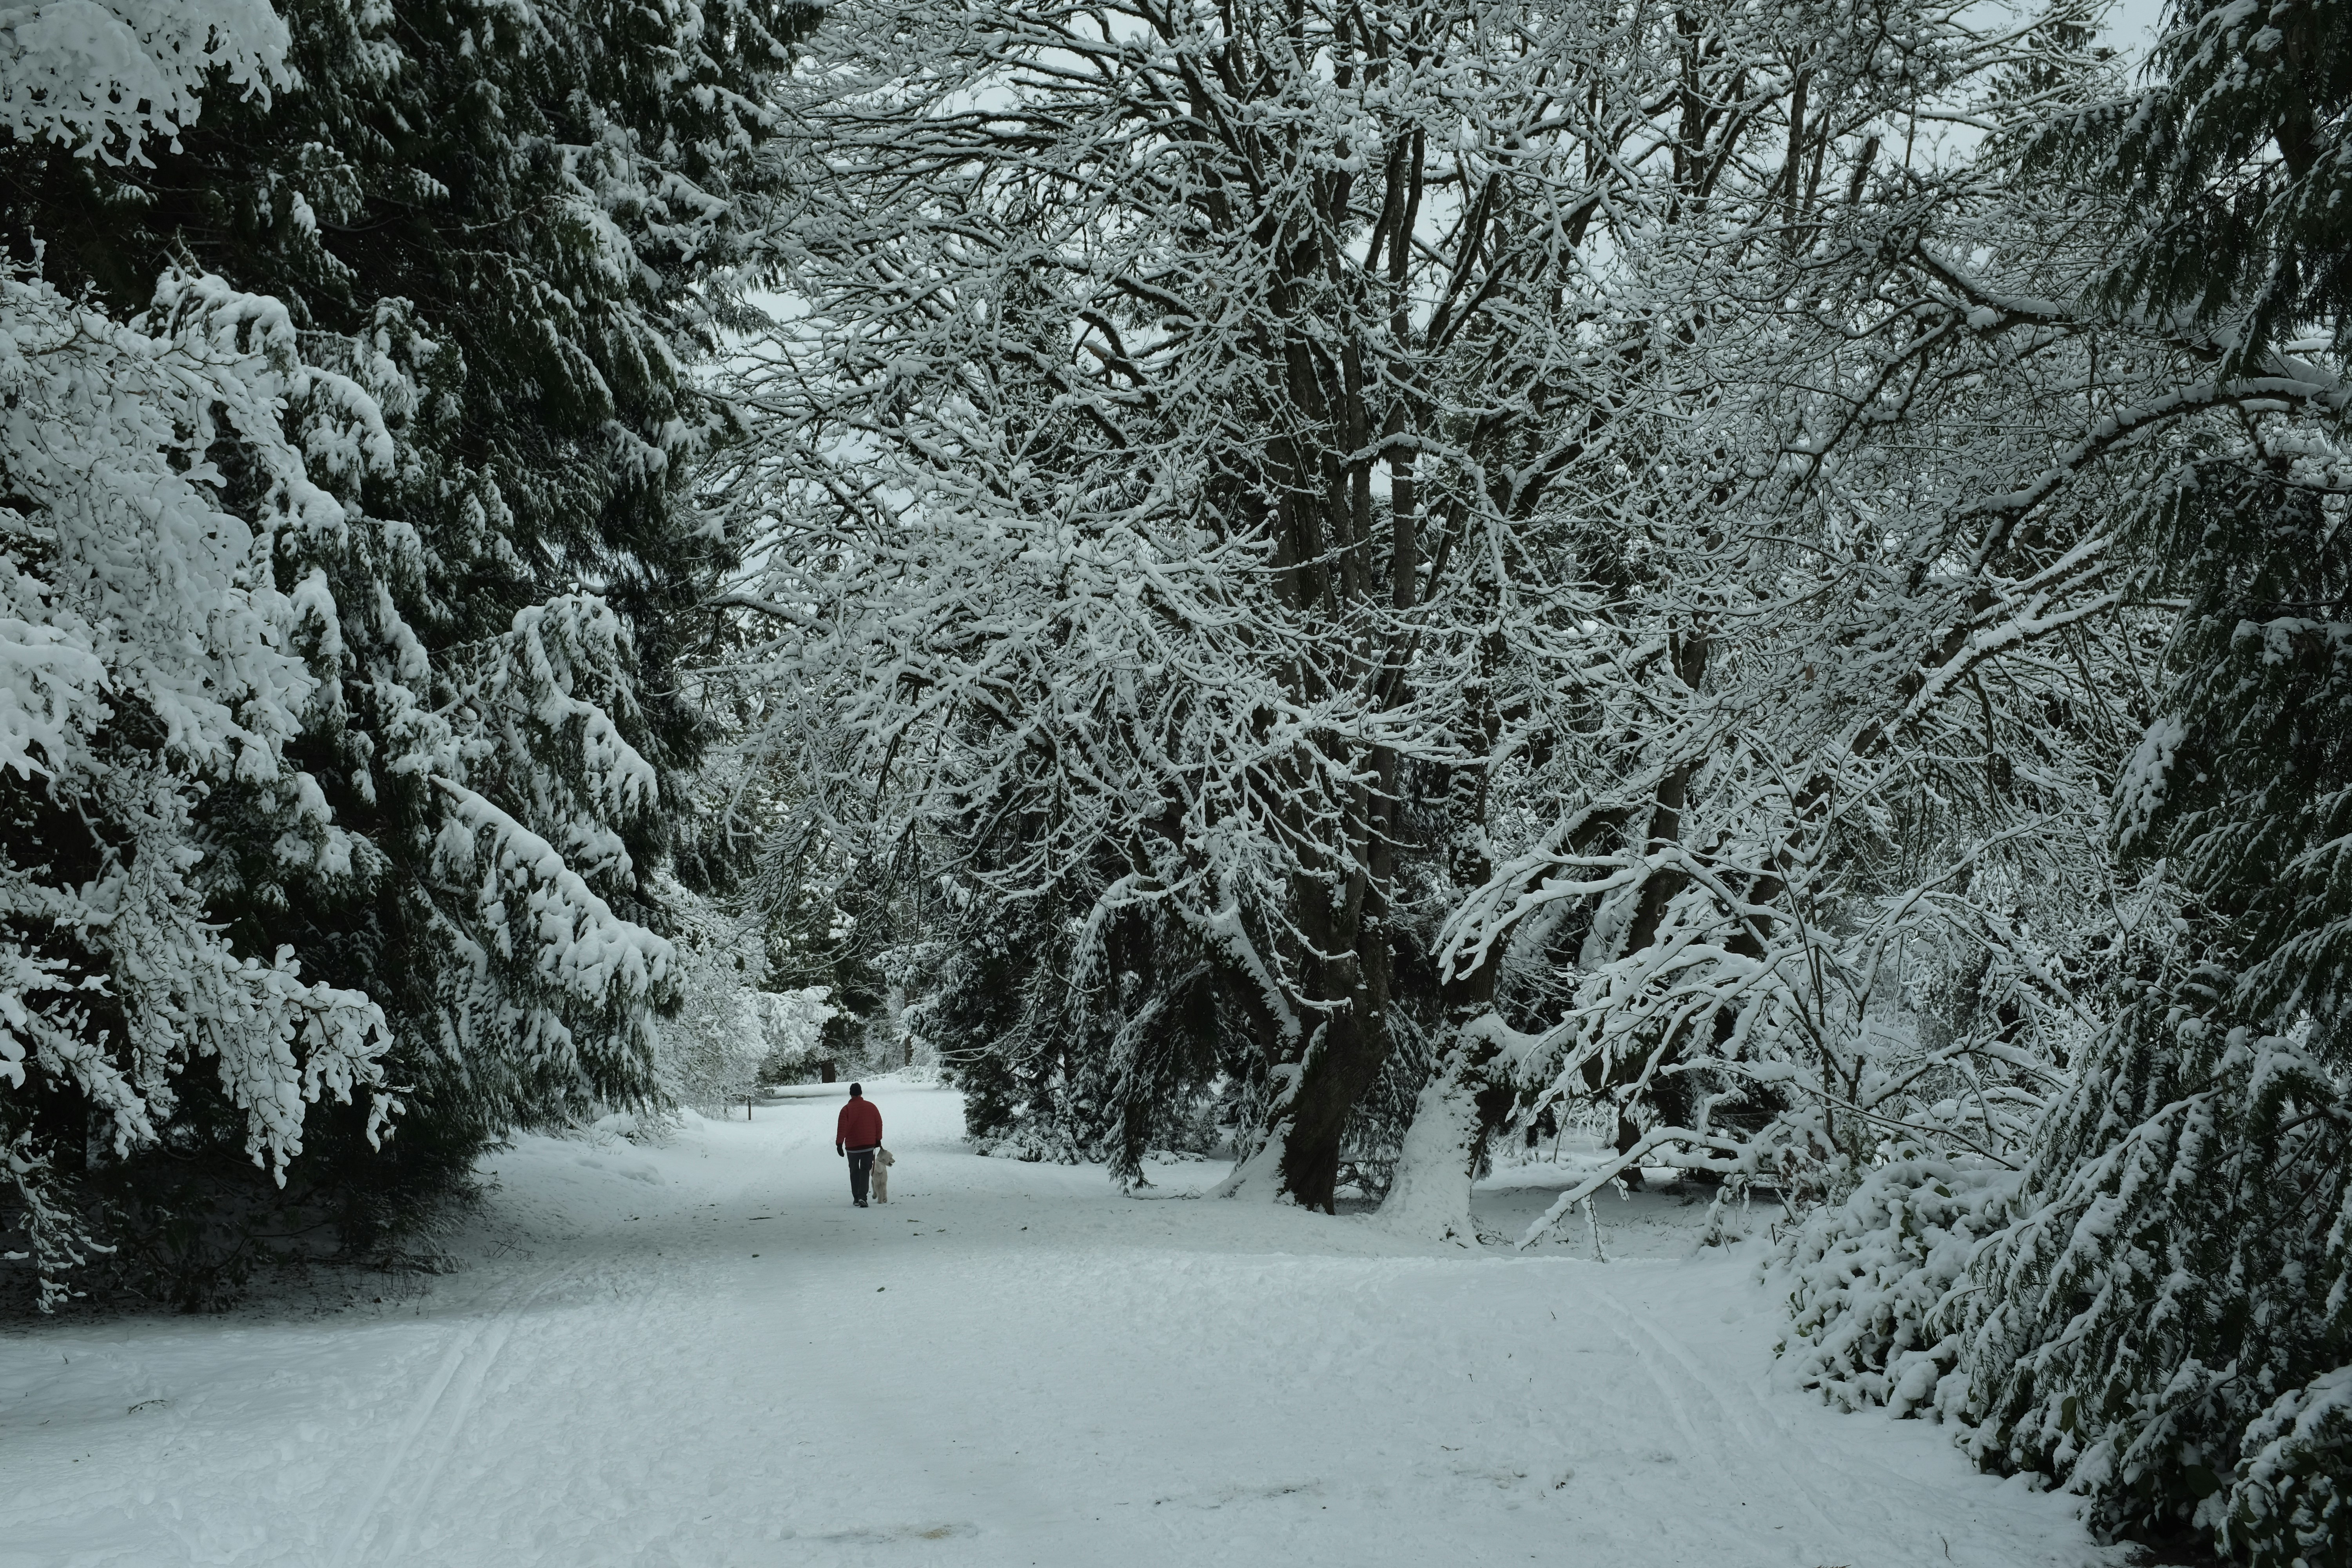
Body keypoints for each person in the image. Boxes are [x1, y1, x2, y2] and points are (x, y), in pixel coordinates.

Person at [835, 1083, 883, 1207]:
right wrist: (878, 1140)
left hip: (852, 1147)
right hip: (868, 1145)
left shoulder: (846, 1110)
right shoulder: (872, 1107)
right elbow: (879, 1124)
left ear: (851, 1094)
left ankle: (856, 1198)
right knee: (865, 1171)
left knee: (854, 1171)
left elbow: (842, 1128)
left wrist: (839, 1144)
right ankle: (863, 1197)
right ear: (861, 1093)